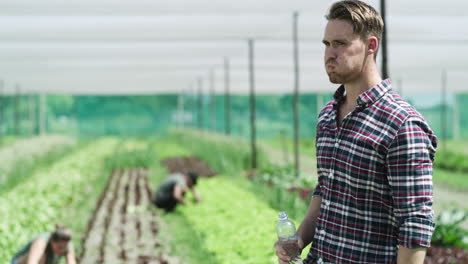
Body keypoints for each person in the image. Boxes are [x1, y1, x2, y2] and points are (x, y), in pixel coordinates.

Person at [275, 1, 437, 263]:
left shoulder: (402, 124)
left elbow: (415, 222)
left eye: (340, 43)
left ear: (371, 46)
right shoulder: (328, 115)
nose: (330, 53)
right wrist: (300, 239)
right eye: (326, 44)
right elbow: (325, 188)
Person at [11, 225, 76, 264]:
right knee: (42, 257)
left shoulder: (67, 244)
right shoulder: (41, 242)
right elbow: (32, 262)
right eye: (59, 247)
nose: (62, 250)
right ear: (52, 241)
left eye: (64, 248)